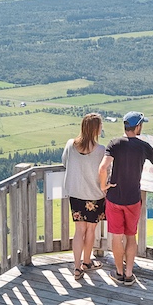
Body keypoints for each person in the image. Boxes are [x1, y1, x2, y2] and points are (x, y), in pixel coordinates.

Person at [98, 111, 153, 285]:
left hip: (114, 197)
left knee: (116, 237)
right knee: (131, 236)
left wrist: (104, 186)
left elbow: (103, 168)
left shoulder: (114, 143)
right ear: (138, 126)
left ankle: (118, 273)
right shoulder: (143, 146)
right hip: (133, 199)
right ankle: (129, 274)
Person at [60, 113, 109, 281]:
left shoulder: (70, 144)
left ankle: (76, 267)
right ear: (96, 129)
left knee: (79, 230)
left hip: (75, 193)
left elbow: (65, 162)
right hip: (94, 195)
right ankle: (87, 262)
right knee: (90, 230)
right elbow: (105, 172)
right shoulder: (101, 150)